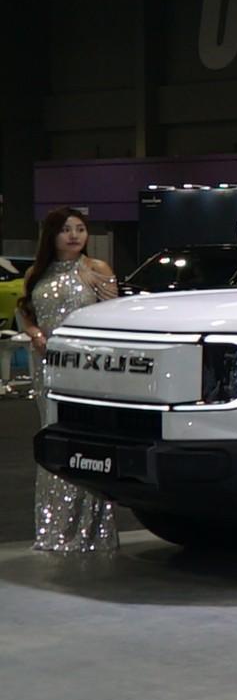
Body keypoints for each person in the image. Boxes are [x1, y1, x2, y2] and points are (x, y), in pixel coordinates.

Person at [17, 207, 121, 557]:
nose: (74, 235)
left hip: (85, 366)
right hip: (46, 366)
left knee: (85, 440)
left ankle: (91, 532)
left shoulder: (96, 269)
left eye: (80, 228)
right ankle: (54, 530)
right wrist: (34, 333)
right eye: (65, 229)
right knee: (52, 434)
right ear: (51, 235)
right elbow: (25, 312)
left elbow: (114, 316)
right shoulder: (36, 273)